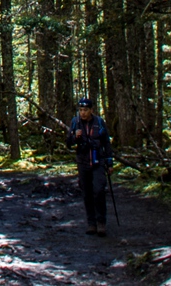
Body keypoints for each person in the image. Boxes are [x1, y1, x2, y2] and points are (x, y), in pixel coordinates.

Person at [65, 96, 111, 236]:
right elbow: (68, 143)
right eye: (80, 110)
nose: (83, 113)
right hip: (83, 161)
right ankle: (91, 223)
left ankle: (101, 222)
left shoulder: (99, 122)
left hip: (98, 161)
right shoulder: (75, 122)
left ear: (91, 110)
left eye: (85, 110)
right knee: (87, 193)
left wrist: (109, 163)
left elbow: (106, 143)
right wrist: (74, 137)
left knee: (99, 190)